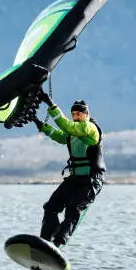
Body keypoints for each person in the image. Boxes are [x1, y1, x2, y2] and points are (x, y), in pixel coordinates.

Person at [31, 90, 106, 248]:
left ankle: (57, 244)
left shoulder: (90, 128)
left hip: (91, 181)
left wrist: (51, 104)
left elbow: (67, 127)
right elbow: (59, 135)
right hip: (74, 180)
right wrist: (40, 124)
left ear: (86, 115)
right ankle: (45, 241)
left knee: (73, 209)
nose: (77, 116)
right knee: (51, 207)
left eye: (80, 114)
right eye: (74, 114)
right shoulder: (72, 133)